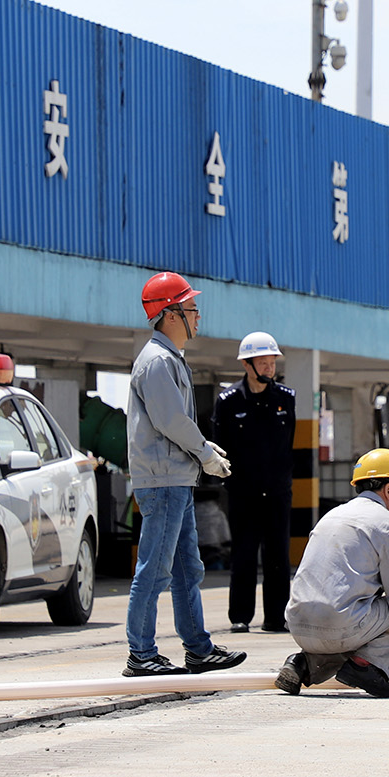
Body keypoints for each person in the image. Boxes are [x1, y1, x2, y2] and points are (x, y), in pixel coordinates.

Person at [122, 271, 246, 677]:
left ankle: (198, 649)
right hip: (164, 481)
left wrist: (202, 450)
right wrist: (205, 452)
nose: (198, 315)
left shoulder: (168, 358)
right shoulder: (158, 362)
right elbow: (171, 420)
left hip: (175, 478)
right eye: (192, 308)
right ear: (171, 314)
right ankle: (141, 654)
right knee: (155, 569)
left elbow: (172, 419)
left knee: (185, 568)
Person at [275, 449, 389, 699]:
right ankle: (366, 667)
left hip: (298, 626)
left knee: (350, 618)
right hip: (338, 627)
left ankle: (303, 664)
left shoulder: (331, 516)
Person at [210, 331, 296, 633]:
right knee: (244, 554)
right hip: (243, 494)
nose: (270, 369)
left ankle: (276, 617)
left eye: (272, 362)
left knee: (278, 556)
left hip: (277, 492)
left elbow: (289, 445)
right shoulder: (228, 401)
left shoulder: (286, 399)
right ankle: (240, 616)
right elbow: (221, 448)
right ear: (247, 365)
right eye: (263, 363)